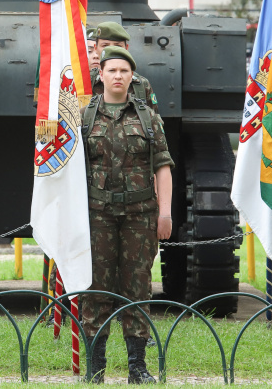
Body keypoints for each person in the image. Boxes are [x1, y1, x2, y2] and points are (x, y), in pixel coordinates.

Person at [80, 47, 174, 384]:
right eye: (112, 70)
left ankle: (137, 367)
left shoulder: (149, 118)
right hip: (97, 215)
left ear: (132, 76)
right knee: (96, 290)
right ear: (101, 75)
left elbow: (163, 167)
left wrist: (165, 213)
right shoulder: (84, 116)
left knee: (138, 288)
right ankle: (96, 367)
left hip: (140, 215)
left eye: (124, 71)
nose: (118, 76)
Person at [89, 22, 160, 113]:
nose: (112, 50)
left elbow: (154, 120)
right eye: (105, 45)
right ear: (95, 48)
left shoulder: (141, 85)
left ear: (126, 48)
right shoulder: (84, 82)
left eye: (117, 46)